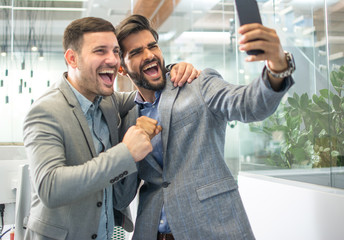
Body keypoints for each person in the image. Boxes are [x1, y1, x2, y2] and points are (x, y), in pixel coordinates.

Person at [115, 14, 296, 240]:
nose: (149, 55)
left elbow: (250, 104)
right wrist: (128, 152)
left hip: (211, 228)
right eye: (136, 52)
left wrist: (277, 65)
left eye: (152, 46)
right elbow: (121, 198)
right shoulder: (127, 120)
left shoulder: (197, 83)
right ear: (122, 68)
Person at [22, 17, 199, 240]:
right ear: (72, 58)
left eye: (116, 52)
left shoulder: (108, 100)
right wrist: (125, 153)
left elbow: (146, 91)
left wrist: (174, 70)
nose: (113, 60)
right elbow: (50, 188)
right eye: (100, 51)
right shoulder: (45, 111)